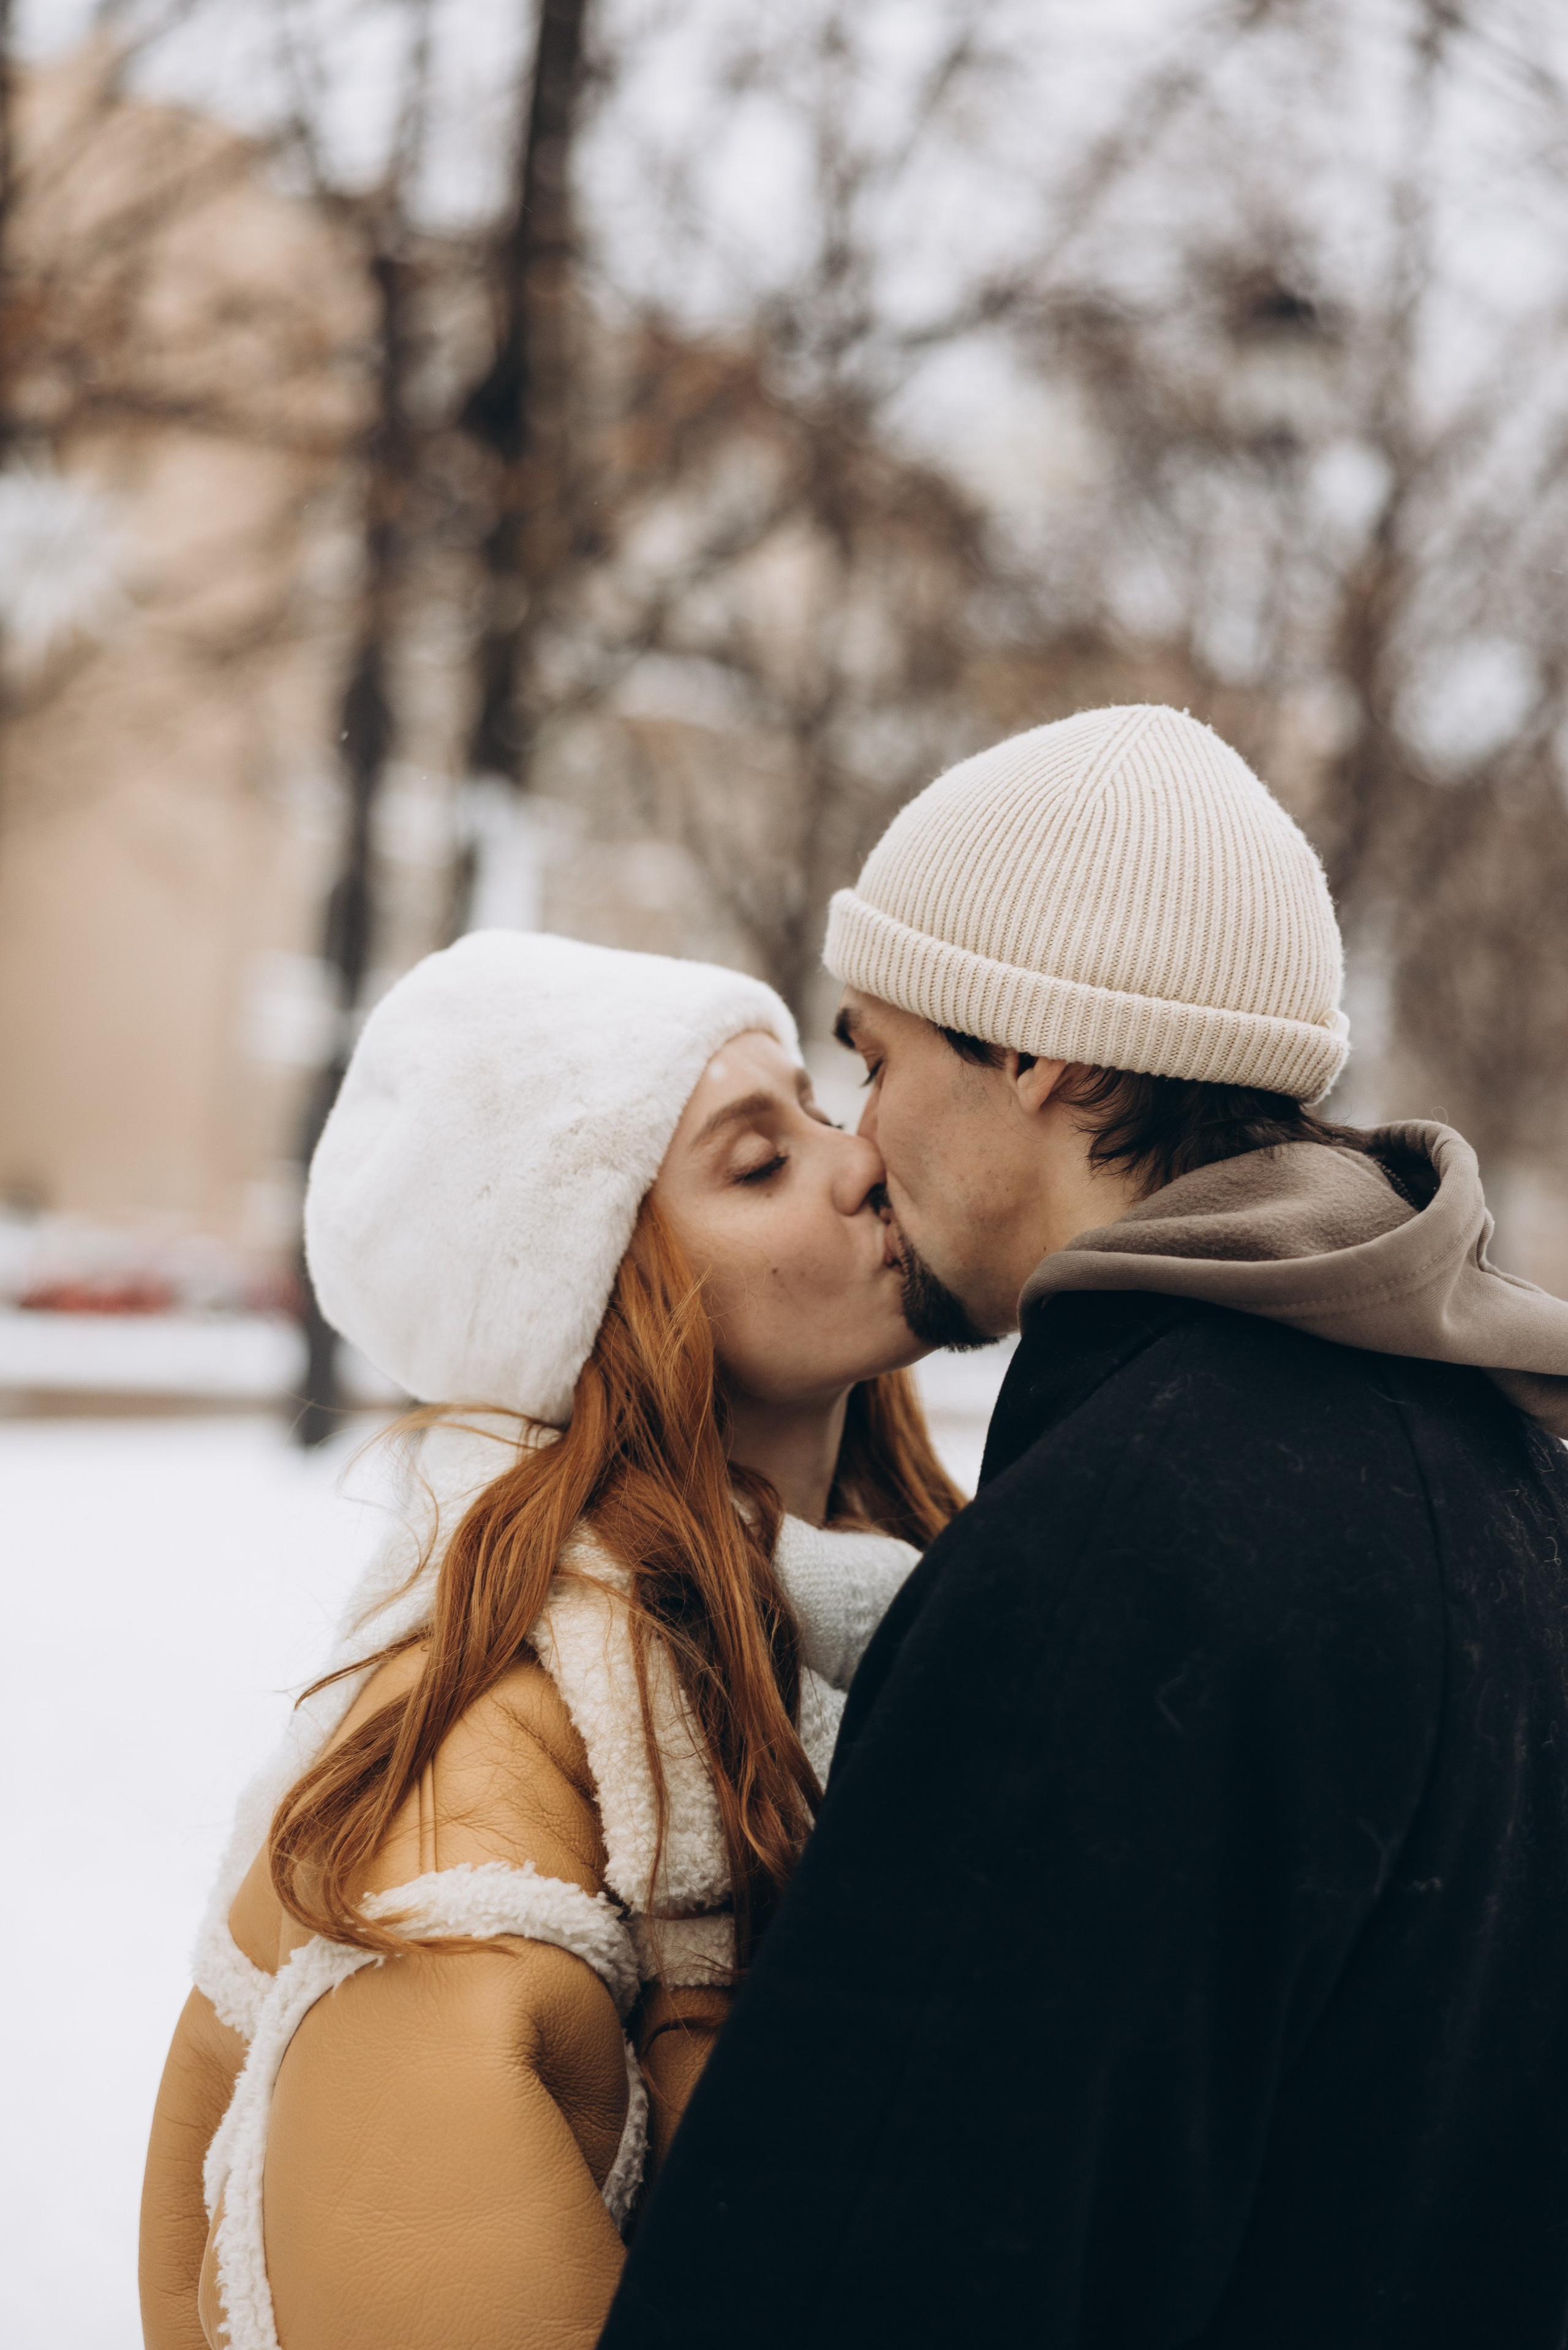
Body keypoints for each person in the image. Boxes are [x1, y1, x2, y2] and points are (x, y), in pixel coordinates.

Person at [600, 703, 1568, 2350]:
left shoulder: (1119, 1554)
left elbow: (866, 2271)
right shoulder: (1505, 1476)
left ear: (1041, 1053)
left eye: (878, 1059)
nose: (865, 1141)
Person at [137, 930, 962, 2350]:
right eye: (756, 1165)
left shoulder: (888, 1628)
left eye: (820, 1110)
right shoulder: (463, 1813)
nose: (860, 1160)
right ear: (595, 1300)